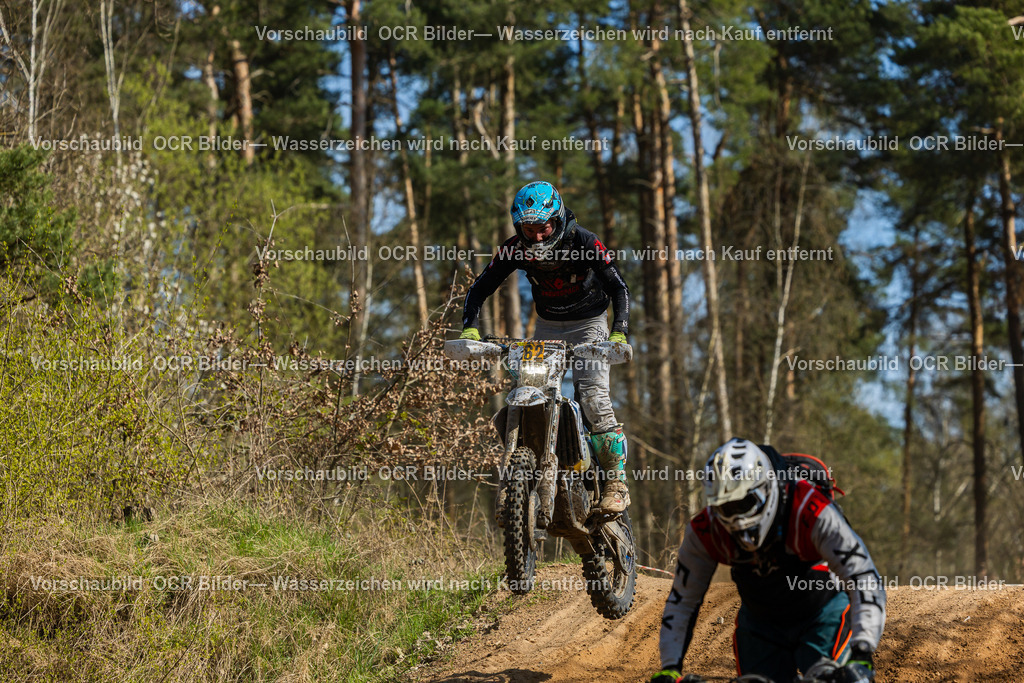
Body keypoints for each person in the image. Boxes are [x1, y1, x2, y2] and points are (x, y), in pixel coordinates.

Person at [651, 438, 886, 683]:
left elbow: (863, 576)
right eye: (726, 508)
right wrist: (670, 668)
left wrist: (862, 653)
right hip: (760, 624)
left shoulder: (810, 509)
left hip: (822, 612)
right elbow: (683, 600)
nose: (737, 518)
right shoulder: (705, 529)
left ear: (766, 488)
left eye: (745, 503)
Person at [460, 180, 631, 513]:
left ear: (557, 219)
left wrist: (619, 331)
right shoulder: (515, 248)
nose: (536, 236)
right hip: (548, 327)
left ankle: (615, 483)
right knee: (529, 390)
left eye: (542, 227)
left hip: (590, 326)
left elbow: (618, 287)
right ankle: (531, 466)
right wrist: (470, 329)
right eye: (528, 228)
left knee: (593, 397)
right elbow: (480, 287)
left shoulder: (584, 241)